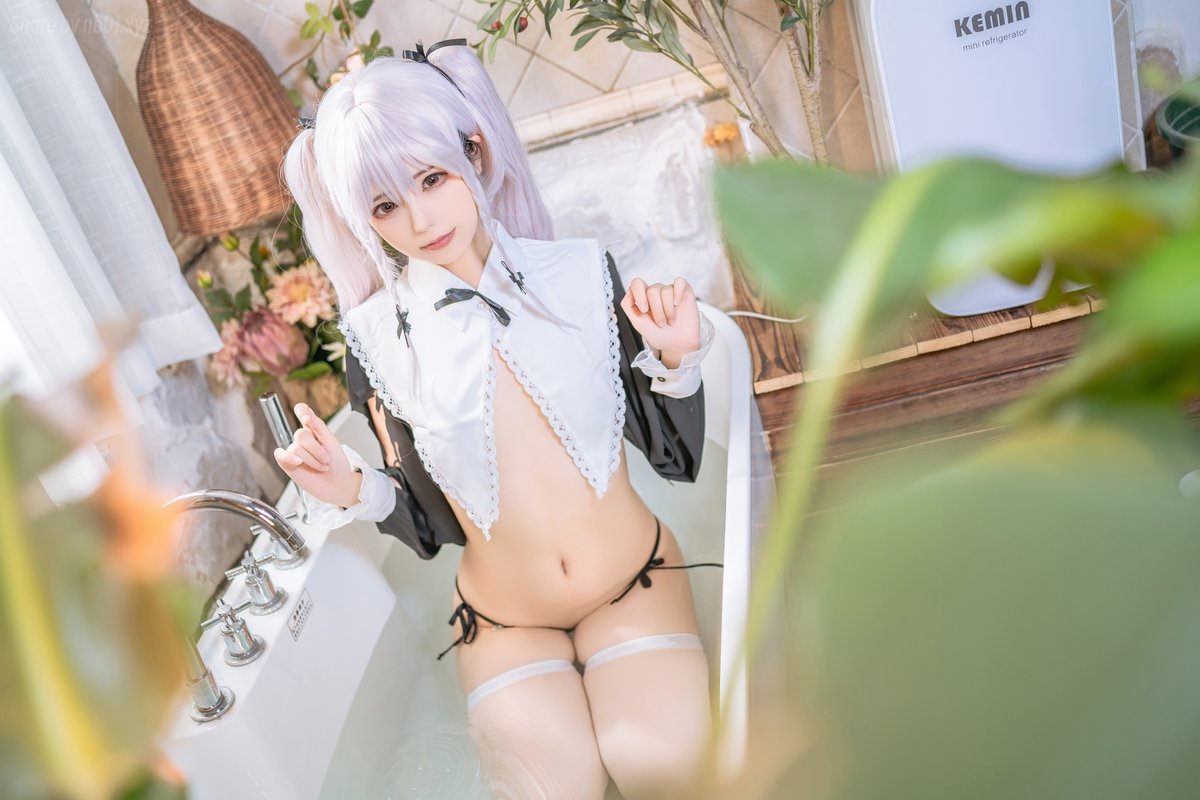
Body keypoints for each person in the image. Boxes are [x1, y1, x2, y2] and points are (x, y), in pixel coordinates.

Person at [276, 38, 720, 800]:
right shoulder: (377, 344)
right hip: (504, 626)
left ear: (474, 152)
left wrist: (677, 357)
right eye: (385, 205)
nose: (419, 219)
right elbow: (432, 525)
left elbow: (672, 456)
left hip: (635, 582)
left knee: (666, 776)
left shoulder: (579, 274)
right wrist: (354, 489)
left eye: (431, 178)